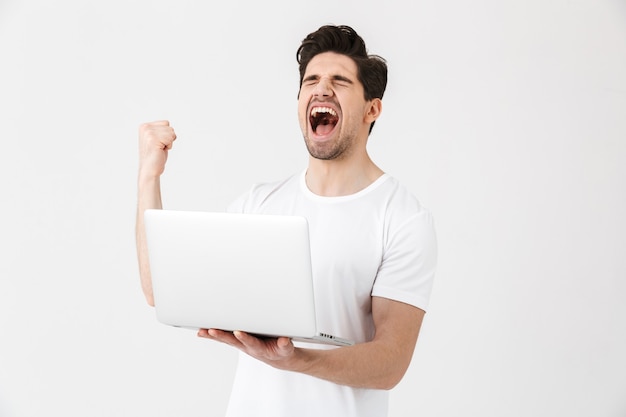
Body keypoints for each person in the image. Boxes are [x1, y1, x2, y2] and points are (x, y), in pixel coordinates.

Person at [135, 24, 437, 417]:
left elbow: (390, 363)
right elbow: (162, 290)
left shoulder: (403, 218)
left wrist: (294, 359)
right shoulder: (258, 204)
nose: (321, 88)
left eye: (339, 81)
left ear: (371, 109)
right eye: (311, 80)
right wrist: (148, 176)